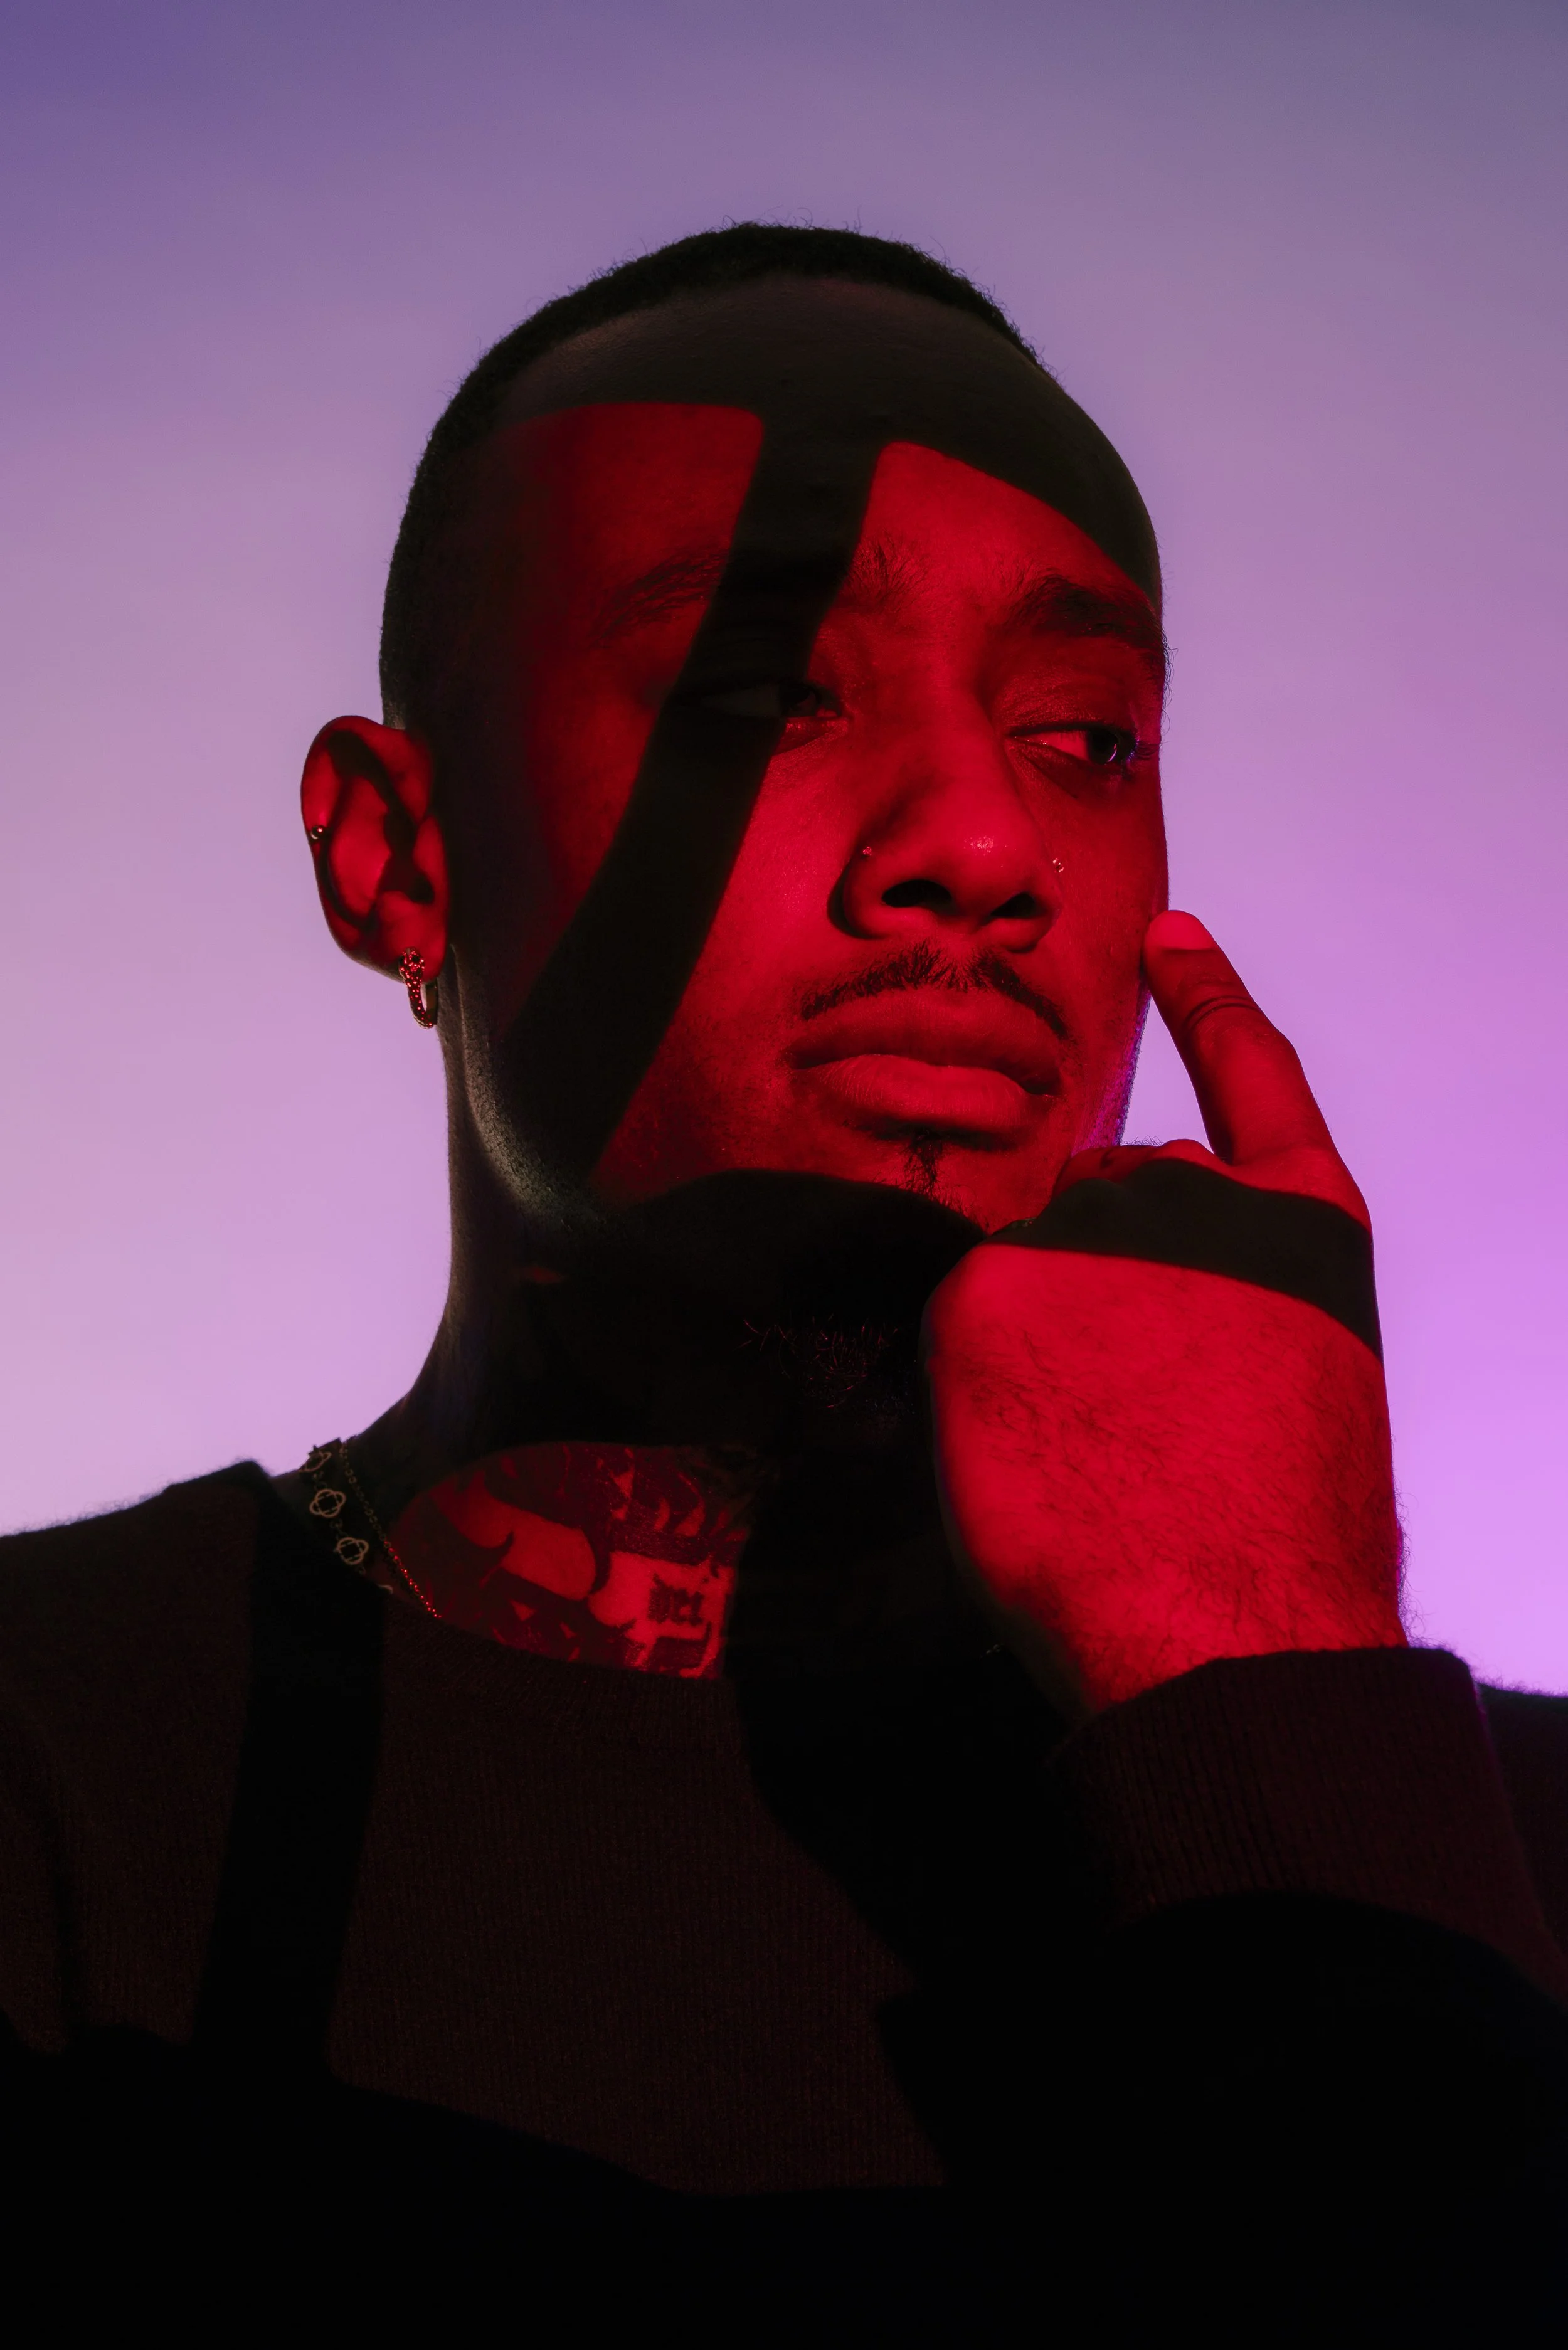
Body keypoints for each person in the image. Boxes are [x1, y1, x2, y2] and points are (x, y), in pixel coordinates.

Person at [3, 223, 1565, 2332]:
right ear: (397, 858)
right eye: (769, 691)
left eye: (1083, 737)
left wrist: (1263, 1674)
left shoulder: (1501, 1860)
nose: (983, 843)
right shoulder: (47, 1776)